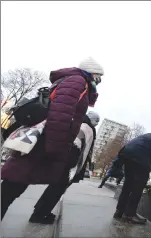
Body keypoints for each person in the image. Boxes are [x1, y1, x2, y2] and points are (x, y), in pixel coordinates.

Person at [1, 57, 104, 221]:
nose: (99, 80)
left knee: (15, 182)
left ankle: (38, 213)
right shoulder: (78, 81)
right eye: (98, 76)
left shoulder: (73, 80)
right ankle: (38, 214)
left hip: (43, 140)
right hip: (43, 142)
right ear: (91, 73)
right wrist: (56, 147)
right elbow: (60, 114)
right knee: (13, 184)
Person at [27, 111, 100, 224]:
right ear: (92, 119)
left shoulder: (82, 123)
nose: (97, 123)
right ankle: (39, 215)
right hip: (69, 162)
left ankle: (41, 211)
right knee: (57, 189)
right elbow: (79, 146)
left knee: (55, 188)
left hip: (66, 160)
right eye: (96, 120)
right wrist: (73, 166)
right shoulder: (86, 127)